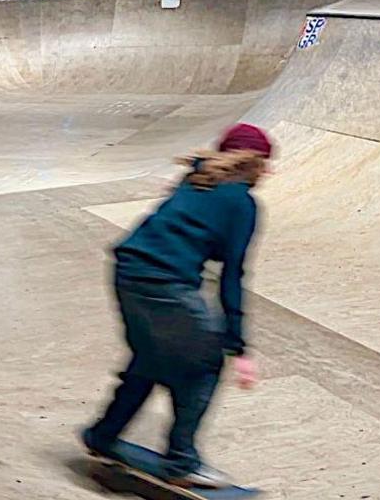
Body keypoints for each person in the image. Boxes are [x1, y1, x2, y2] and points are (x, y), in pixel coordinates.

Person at [82, 123, 271, 489]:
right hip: (164, 282)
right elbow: (233, 275)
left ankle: (104, 434)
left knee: (150, 359)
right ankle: (183, 461)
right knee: (203, 364)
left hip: (127, 271)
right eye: (267, 164)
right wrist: (238, 346)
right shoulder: (242, 202)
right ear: (256, 163)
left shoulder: (195, 179)